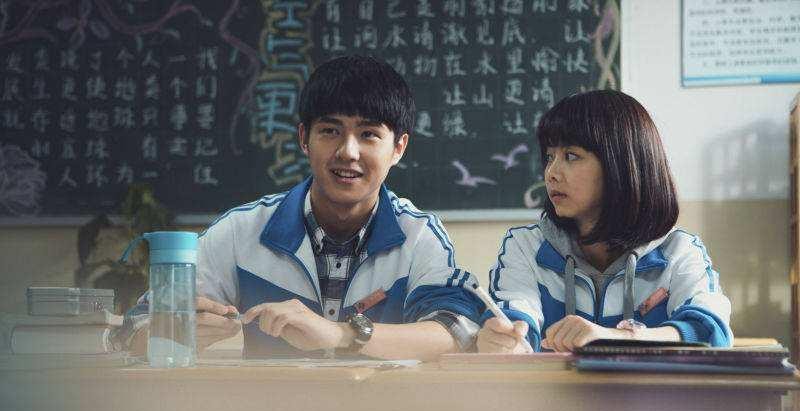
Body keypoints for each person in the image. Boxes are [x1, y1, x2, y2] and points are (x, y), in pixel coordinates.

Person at [129, 55, 481, 360]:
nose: (348, 152)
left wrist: (341, 334)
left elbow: (456, 332)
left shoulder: (418, 235)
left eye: (368, 134)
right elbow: (133, 326)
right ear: (303, 139)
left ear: (398, 148)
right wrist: (175, 330)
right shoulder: (241, 231)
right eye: (330, 131)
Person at [477, 90, 732, 353]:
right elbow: (517, 319)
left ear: (621, 164)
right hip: (553, 383)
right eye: (550, 157)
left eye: (571, 156)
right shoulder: (525, 246)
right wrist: (504, 339)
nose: (551, 173)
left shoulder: (678, 251)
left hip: (650, 383)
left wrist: (616, 338)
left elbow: (710, 332)